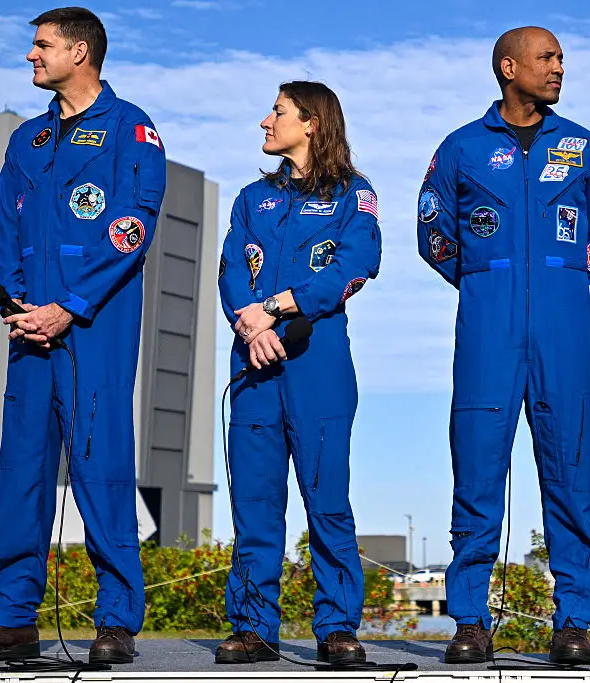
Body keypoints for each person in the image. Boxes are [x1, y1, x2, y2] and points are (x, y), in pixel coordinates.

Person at [0, 7, 166, 666]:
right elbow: (6, 226)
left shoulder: (132, 129)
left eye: (41, 46)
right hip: (28, 330)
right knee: (21, 473)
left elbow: (133, 226)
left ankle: (117, 620)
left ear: (80, 52)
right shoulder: (26, 140)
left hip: (92, 328)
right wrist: (15, 301)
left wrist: (68, 305)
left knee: (101, 466)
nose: (31, 57)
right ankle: (10, 617)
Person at [418, 27, 590, 665]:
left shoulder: (583, 145)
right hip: (487, 324)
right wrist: (487, 280)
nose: (559, 66)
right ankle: (471, 621)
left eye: (561, 57)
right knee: (477, 471)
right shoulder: (461, 147)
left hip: (563, 325)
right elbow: (433, 230)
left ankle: (574, 622)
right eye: (547, 57)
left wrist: (561, 278)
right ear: (509, 68)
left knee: (569, 469)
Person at [215, 81, 381, 666]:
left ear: (311, 123)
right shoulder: (250, 198)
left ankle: (336, 628)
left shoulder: (351, 194)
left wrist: (280, 306)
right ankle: (255, 628)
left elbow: (357, 264)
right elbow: (232, 267)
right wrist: (252, 327)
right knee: (255, 503)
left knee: (327, 502)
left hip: (319, 366)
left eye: (278, 112)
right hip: (254, 367)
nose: (266, 120)